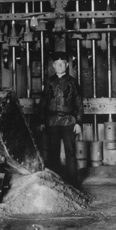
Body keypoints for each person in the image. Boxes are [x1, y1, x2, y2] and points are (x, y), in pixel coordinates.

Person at [39, 52, 84, 187]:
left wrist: (79, 122)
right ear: (53, 66)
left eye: (62, 63)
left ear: (67, 65)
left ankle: (72, 183)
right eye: (57, 64)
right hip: (52, 121)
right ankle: (55, 182)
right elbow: (43, 102)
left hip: (68, 121)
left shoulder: (72, 82)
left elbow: (79, 103)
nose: (59, 66)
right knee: (53, 152)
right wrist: (41, 121)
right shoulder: (49, 82)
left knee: (70, 152)